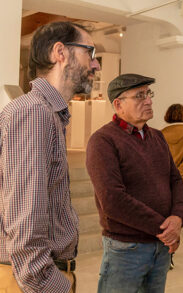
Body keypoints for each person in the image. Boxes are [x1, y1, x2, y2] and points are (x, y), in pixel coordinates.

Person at [0, 21, 99, 292]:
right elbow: (25, 226)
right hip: (31, 282)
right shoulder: (33, 113)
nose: (96, 64)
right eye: (90, 52)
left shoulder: (46, 113)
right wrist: (55, 287)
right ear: (60, 52)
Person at [86, 74, 183, 292]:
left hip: (160, 248)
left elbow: (175, 180)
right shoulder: (103, 141)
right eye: (140, 96)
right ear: (118, 104)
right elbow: (113, 200)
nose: (149, 100)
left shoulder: (158, 137)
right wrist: (165, 228)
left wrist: (178, 218)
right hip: (126, 250)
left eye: (148, 94)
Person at [162, 104, 183, 204]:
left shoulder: (160, 135)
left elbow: (157, 158)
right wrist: (178, 173)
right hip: (182, 182)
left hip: (164, 181)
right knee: (180, 214)